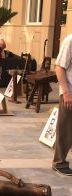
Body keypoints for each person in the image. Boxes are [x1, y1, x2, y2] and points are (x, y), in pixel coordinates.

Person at [52, 34, 72, 176]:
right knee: (65, 128)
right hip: (70, 92)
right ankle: (59, 162)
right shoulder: (70, 41)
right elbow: (59, 68)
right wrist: (66, 93)